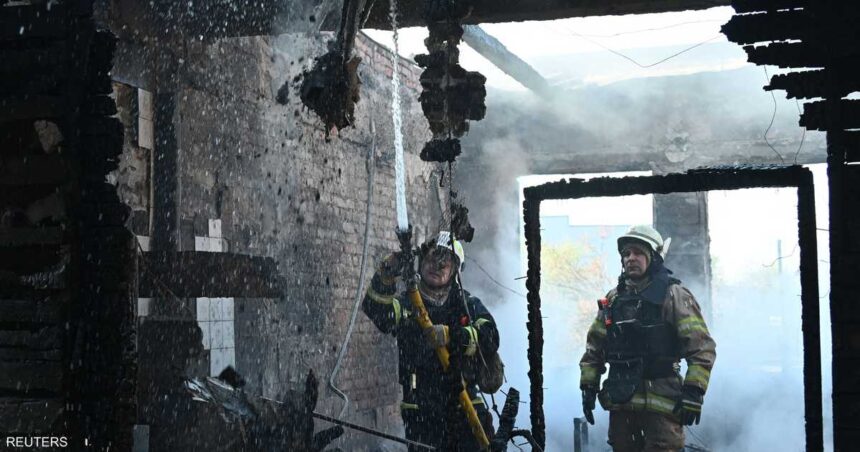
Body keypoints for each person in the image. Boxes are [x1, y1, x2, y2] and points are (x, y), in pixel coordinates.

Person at [579, 225, 716, 451]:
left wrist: (694, 391)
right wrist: (588, 386)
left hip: (663, 408)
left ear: (654, 257)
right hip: (622, 407)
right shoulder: (613, 299)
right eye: (626, 254)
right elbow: (594, 348)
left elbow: (702, 348)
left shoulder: (674, 295)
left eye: (638, 253)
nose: (631, 258)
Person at [362, 231, 498, 451]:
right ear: (421, 262)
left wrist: (453, 336)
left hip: (466, 404)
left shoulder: (466, 304)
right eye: (433, 257)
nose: (438, 265)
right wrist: (386, 274)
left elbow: (490, 337)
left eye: (446, 261)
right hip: (421, 409)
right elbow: (376, 309)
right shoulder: (408, 304)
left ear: (455, 271)